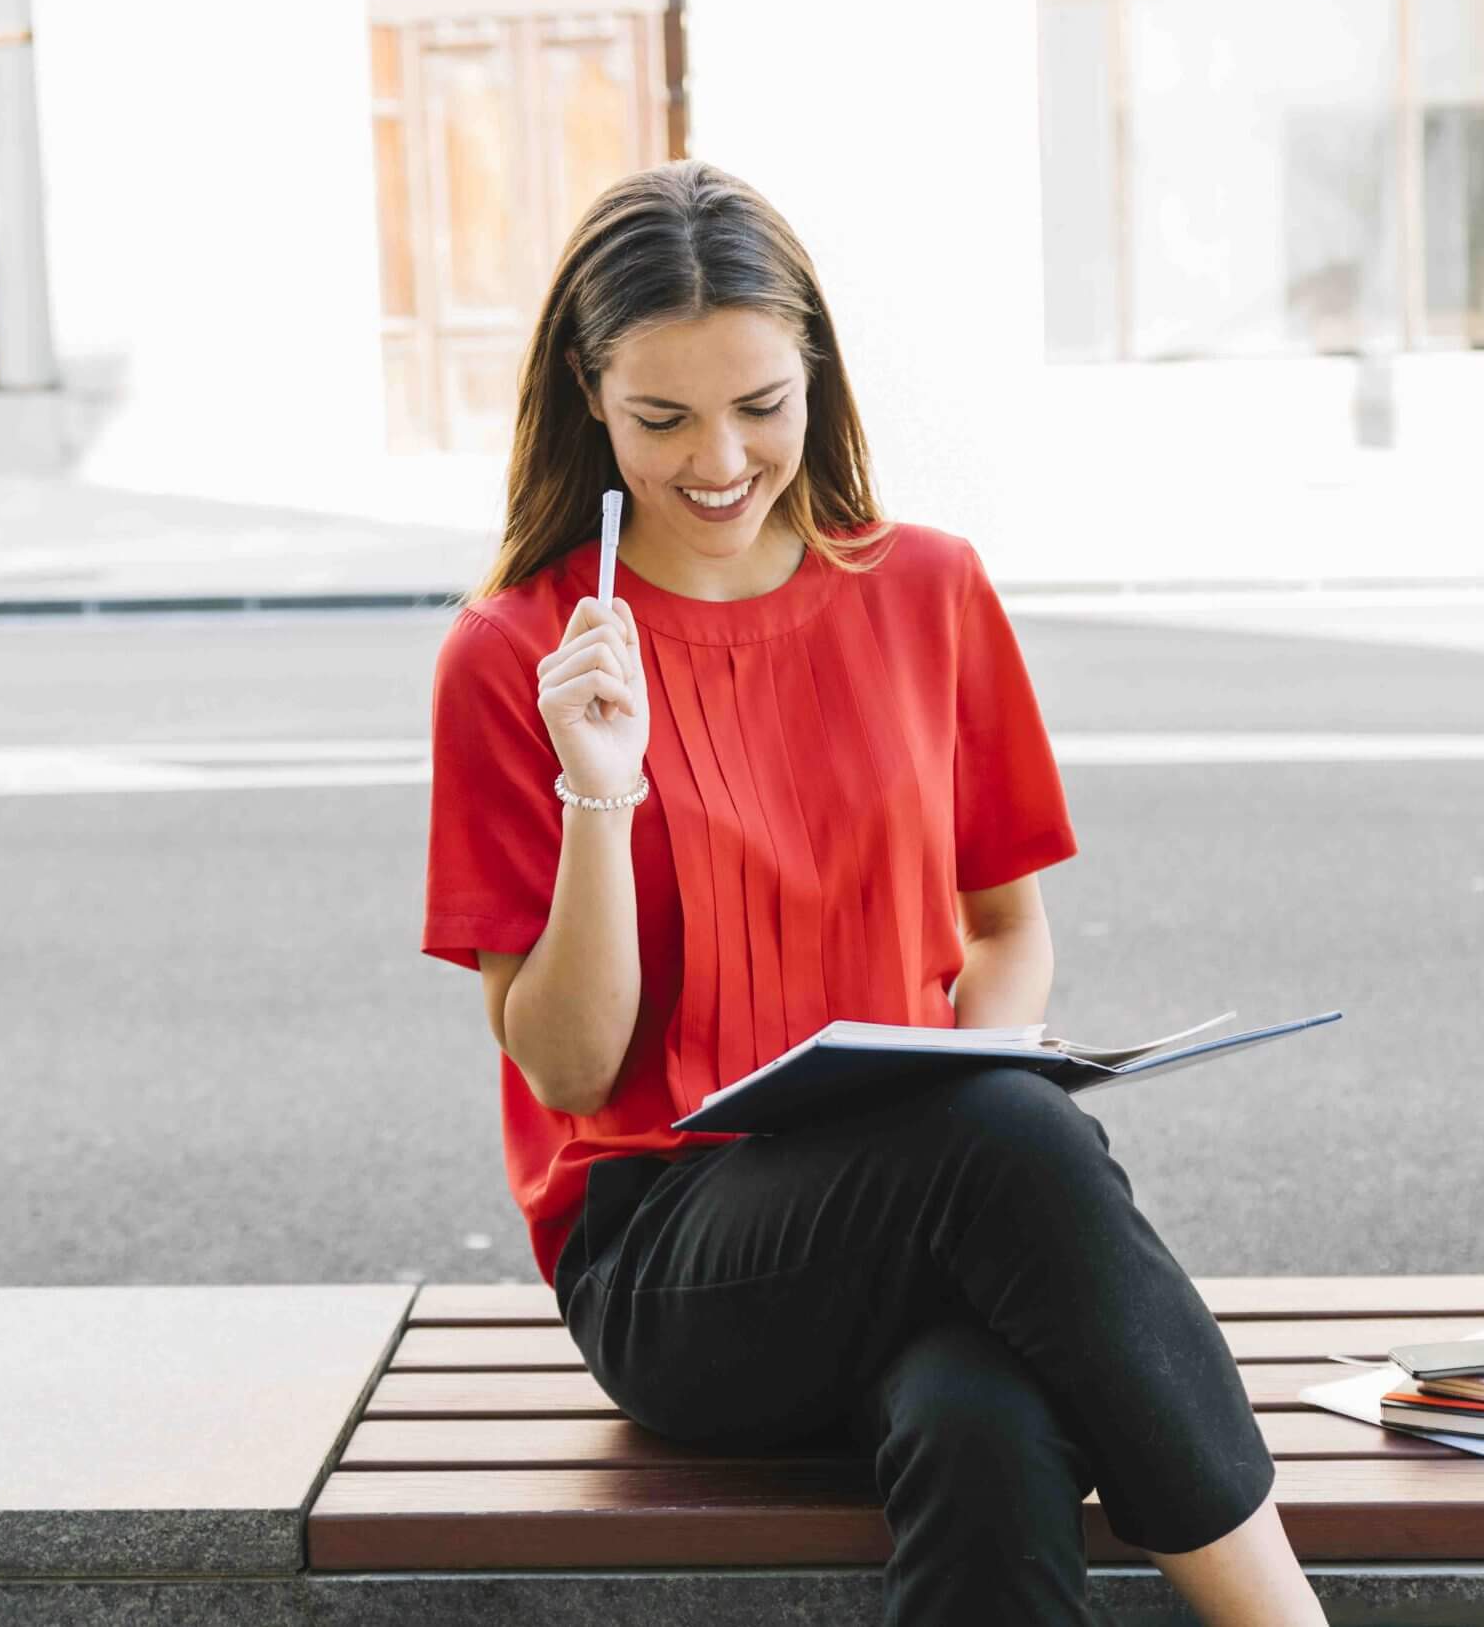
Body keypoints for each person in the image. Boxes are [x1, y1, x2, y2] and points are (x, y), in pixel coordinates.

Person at [419, 158, 1327, 1627]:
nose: (719, 458)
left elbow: (1006, 928)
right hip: (671, 1257)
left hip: (934, 1188)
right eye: (663, 418)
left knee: (986, 1417)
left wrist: (983, 1060)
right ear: (592, 395)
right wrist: (601, 780)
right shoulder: (517, 652)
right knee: (1011, 1144)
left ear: (816, 380)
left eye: (760, 406)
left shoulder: (930, 590)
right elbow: (571, 1065)